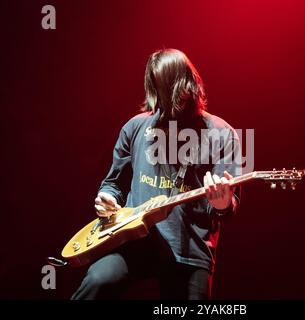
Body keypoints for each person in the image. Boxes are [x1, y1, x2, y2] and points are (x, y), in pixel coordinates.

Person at [71, 48, 241, 300]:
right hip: (134, 240)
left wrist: (222, 203)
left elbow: (228, 207)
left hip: (189, 250)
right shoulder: (135, 126)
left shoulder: (222, 133)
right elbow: (113, 183)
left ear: (187, 86)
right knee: (97, 280)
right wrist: (105, 198)